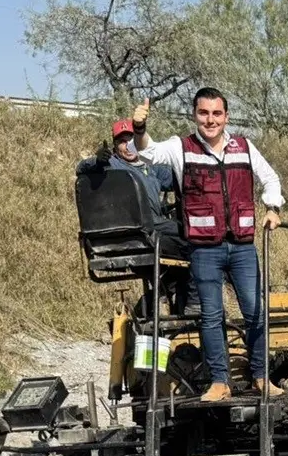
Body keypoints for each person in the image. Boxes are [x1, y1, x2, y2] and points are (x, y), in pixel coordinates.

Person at [132, 87, 285, 403]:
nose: (210, 120)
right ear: (195, 115)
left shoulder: (243, 147)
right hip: (204, 250)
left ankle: (261, 377)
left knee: (255, 312)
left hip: (243, 247)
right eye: (204, 113)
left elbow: (270, 178)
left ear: (226, 116)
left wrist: (273, 208)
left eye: (216, 113)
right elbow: (148, 152)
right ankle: (219, 382)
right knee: (211, 316)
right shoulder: (181, 148)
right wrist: (139, 129)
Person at [76, 118, 197, 313]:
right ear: (115, 145)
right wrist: (96, 160)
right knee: (195, 240)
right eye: (122, 141)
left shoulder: (151, 165)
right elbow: (81, 169)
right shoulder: (110, 165)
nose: (128, 145)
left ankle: (164, 296)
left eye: (132, 139)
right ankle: (192, 302)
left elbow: (181, 177)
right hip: (139, 230)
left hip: (155, 227)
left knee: (194, 237)